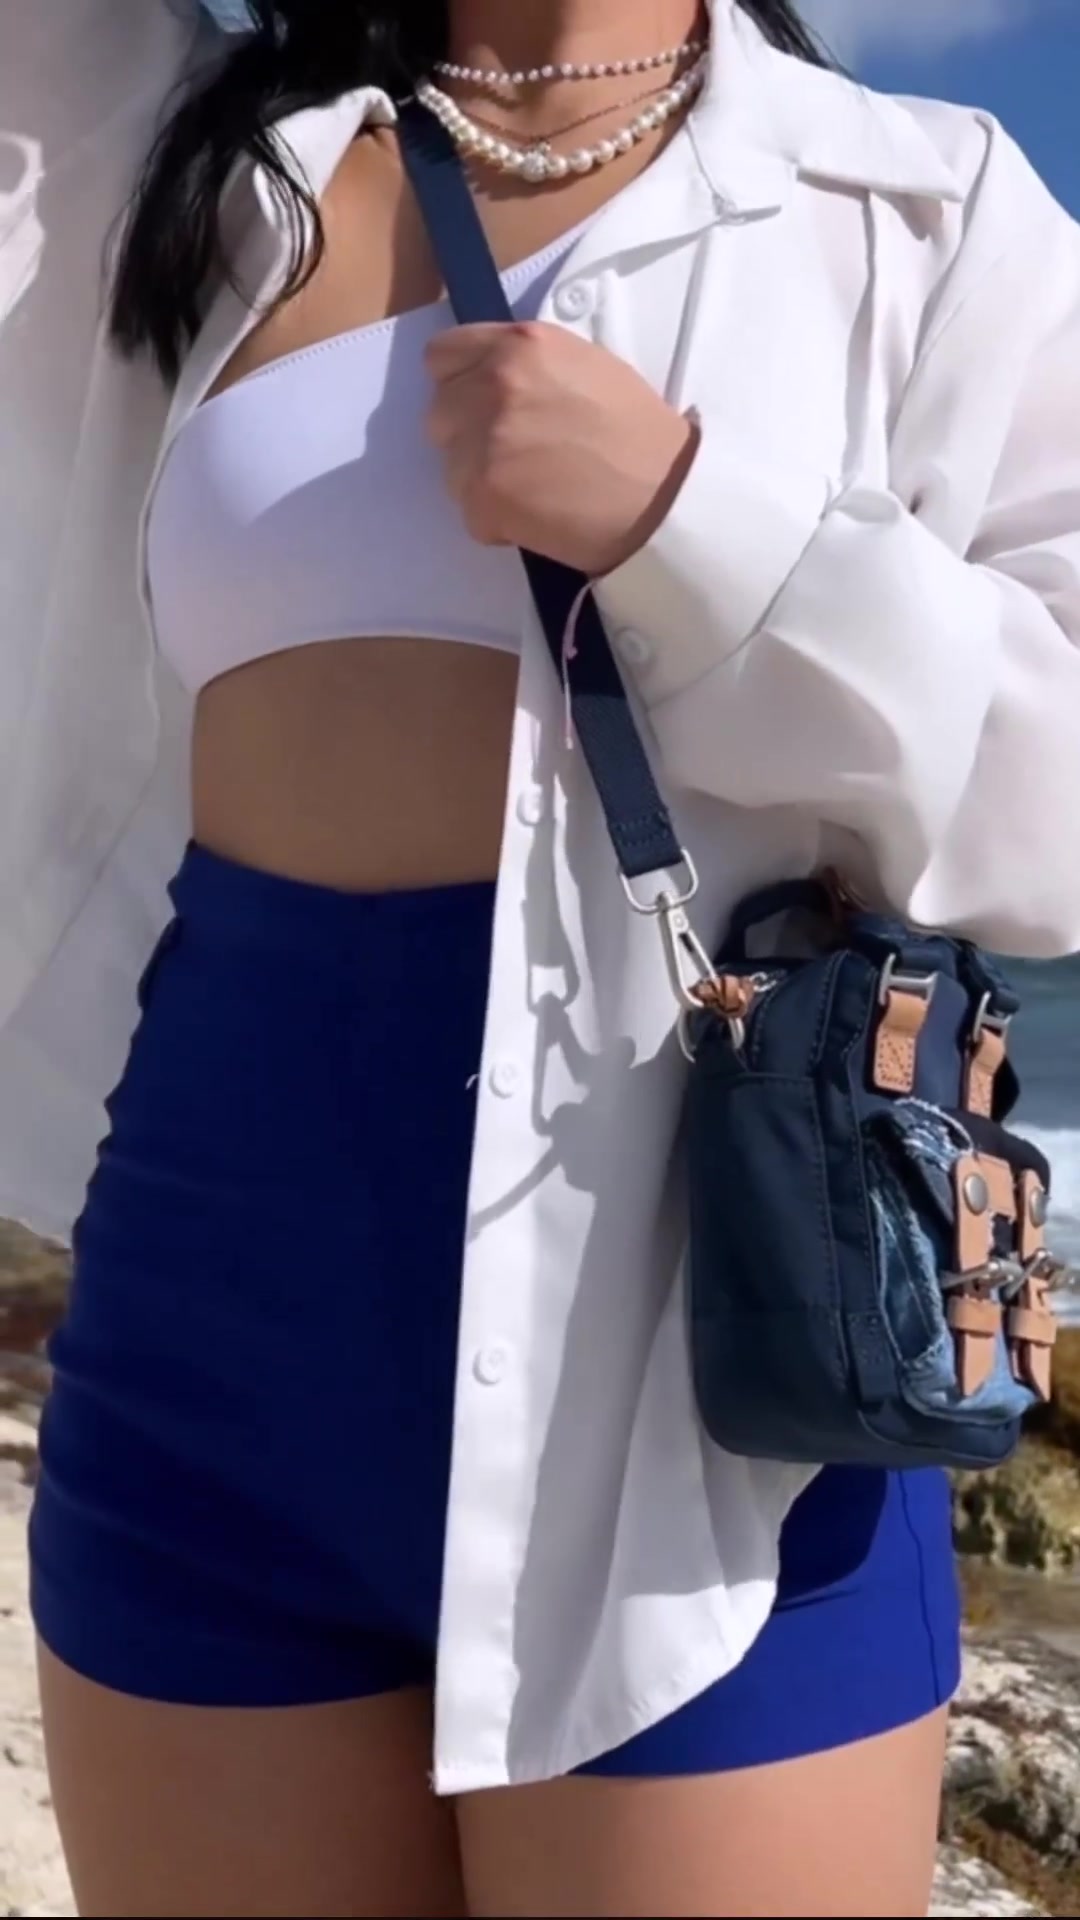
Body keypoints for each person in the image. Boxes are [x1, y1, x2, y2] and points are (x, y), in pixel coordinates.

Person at [3, 0, 1080, 1912]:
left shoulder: (921, 209)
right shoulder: (184, 164)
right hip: (196, 1355)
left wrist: (696, 522)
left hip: (713, 1423)